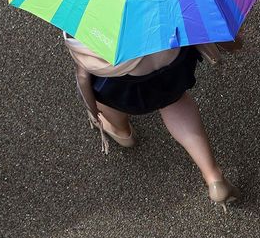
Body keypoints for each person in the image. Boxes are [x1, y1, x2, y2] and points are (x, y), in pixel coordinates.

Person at [65, 32, 241, 211]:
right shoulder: (168, 3)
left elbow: (83, 77)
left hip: (123, 88)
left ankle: (122, 132)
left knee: (107, 102)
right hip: (173, 67)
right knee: (176, 103)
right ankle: (214, 178)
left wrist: (93, 111)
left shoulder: (91, 18)